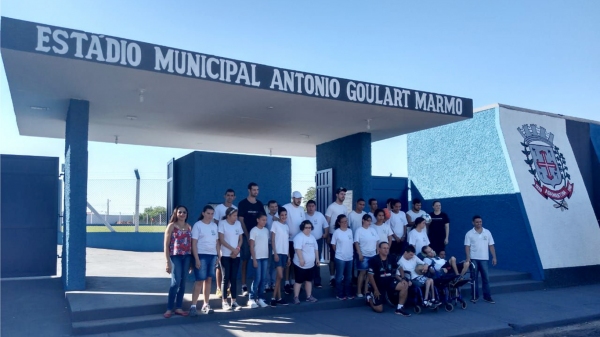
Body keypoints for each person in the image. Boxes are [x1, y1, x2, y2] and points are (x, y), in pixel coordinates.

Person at [189, 205, 219, 316]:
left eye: (212, 214)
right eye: (208, 213)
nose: (210, 216)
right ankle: (193, 306)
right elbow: (194, 243)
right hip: (201, 255)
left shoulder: (214, 226)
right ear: (203, 213)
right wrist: (196, 258)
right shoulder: (198, 225)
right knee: (199, 280)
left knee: (209, 280)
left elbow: (217, 242)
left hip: (212, 256)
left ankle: (206, 304)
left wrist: (218, 256)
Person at [366, 242, 411, 316]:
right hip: (378, 284)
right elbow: (370, 276)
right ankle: (369, 298)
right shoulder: (374, 260)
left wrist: (403, 278)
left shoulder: (391, 258)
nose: (386, 250)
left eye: (387, 248)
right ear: (379, 249)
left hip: (389, 281)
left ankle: (399, 309)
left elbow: (400, 268)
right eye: (384, 248)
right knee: (379, 309)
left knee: (404, 285)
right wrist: (376, 290)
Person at [163, 205, 192, 318]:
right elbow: (166, 245)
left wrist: (191, 262)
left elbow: (191, 244)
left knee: (183, 282)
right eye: (180, 212)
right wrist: (167, 262)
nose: (182, 214)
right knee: (175, 282)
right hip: (175, 257)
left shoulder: (189, 227)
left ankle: (179, 307)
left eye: (184, 212)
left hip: (187, 257)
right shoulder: (171, 226)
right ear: (176, 213)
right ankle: (169, 308)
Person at [237, 182, 265, 297]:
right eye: (254, 190)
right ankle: (244, 285)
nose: (256, 192)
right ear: (249, 190)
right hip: (246, 237)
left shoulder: (259, 204)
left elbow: (263, 219)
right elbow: (241, 220)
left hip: (258, 238)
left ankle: (257, 286)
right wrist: (248, 236)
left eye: (257, 190)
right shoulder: (242, 203)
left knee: (258, 261)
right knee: (245, 260)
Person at [465, 215, 497, 304]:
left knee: (486, 278)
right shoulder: (469, 233)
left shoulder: (487, 232)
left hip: (484, 259)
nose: (479, 223)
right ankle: (474, 296)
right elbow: (467, 246)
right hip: (473, 259)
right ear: (473, 223)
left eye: (480, 222)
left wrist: (494, 257)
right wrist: (468, 257)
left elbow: (491, 245)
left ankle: (487, 297)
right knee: (474, 278)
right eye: (477, 222)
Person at [218, 207, 244, 311]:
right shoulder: (222, 223)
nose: (235, 218)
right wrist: (232, 249)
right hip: (225, 255)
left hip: (236, 255)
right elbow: (221, 240)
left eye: (236, 215)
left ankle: (234, 301)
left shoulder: (238, 224)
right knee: (226, 277)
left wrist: (237, 249)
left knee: (233, 278)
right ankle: (224, 302)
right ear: (228, 216)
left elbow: (241, 239)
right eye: (234, 216)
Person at [213, 189, 237, 298]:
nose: (230, 197)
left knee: (230, 270)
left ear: (234, 197)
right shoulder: (219, 208)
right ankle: (219, 288)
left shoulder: (235, 208)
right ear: (224, 196)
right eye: (228, 195)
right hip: (220, 240)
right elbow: (216, 222)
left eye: (232, 195)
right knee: (220, 265)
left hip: (232, 243)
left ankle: (228, 288)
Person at [292, 220, 320, 304]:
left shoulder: (312, 237)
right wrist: (301, 259)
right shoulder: (299, 237)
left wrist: (317, 259)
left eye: (310, 227)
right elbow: (298, 249)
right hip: (300, 265)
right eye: (306, 227)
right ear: (302, 228)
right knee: (298, 281)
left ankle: (309, 296)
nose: (308, 229)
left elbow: (316, 249)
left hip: (311, 265)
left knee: (309, 280)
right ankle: (296, 297)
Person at [325, 187, 348, 287]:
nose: (343, 196)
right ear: (337, 195)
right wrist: (327, 236)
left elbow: (346, 222)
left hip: (343, 235)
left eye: (344, 194)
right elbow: (327, 222)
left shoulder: (344, 208)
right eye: (341, 194)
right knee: (333, 257)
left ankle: (340, 276)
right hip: (333, 235)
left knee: (342, 256)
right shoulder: (331, 207)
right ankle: (332, 277)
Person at [283, 191, 306, 294]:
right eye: (297, 198)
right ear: (293, 198)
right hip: (288, 240)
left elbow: (303, 224)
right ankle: (287, 283)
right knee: (288, 262)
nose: (299, 200)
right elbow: (280, 218)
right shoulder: (286, 207)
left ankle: (294, 282)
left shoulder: (302, 209)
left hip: (299, 241)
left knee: (296, 262)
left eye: (300, 198)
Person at [354, 214, 379, 298]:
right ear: (363, 220)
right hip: (364, 255)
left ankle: (366, 290)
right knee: (362, 273)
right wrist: (360, 254)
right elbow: (356, 243)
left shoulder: (373, 230)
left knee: (370, 273)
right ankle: (358, 291)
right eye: (367, 220)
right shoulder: (359, 230)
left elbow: (377, 242)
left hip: (373, 255)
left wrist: (377, 253)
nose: (369, 222)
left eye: (370, 221)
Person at [305, 199, 328, 288]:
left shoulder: (320, 215)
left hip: (318, 241)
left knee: (316, 261)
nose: (311, 208)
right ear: (306, 207)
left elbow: (326, 226)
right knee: (307, 260)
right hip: (306, 241)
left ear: (315, 207)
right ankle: (307, 280)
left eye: (312, 206)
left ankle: (317, 281)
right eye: (309, 206)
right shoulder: (303, 215)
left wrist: (326, 234)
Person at [270, 207, 290, 307]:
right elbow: (272, 240)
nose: (284, 217)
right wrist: (275, 253)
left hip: (285, 254)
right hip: (277, 253)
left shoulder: (286, 226)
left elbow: (286, 242)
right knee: (280, 276)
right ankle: (273, 297)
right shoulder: (275, 224)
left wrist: (289, 256)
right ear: (279, 215)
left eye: (285, 215)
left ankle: (278, 298)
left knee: (279, 278)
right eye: (282, 215)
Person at [248, 213, 270, 308]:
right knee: (257, 279)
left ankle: (261, 298)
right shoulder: (253, 231)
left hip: (265, 257)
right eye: (262, 220)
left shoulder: (266, 231)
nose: (264, 222)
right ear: (258, 220)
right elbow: (251, 246)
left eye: (265, 220)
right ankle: (251, 298)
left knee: (263, 279)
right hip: (257, 258)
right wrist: (254, 259)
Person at [331, 214, 354, 300]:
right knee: (339, 277)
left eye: (346, 221)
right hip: (340, 257)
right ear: (339, 223)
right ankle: (339, 294)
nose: (345, 223)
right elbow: (333, 244)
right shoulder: (336, 232)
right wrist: (339, 252)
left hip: (350, 257)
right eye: (343, 222)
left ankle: (348, 293)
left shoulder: (350, 231)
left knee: (349, 277)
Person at [265, 200, 279, 291]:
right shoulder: (265, 217)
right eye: (272, 207)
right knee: (267, 264)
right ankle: (267, 283)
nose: (274, 208)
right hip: (267, 244)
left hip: (277, 244)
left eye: (275, 206)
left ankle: (274, 283)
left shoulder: (281, 216)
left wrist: (278, 220)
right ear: (269, 207)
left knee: (275, 264)